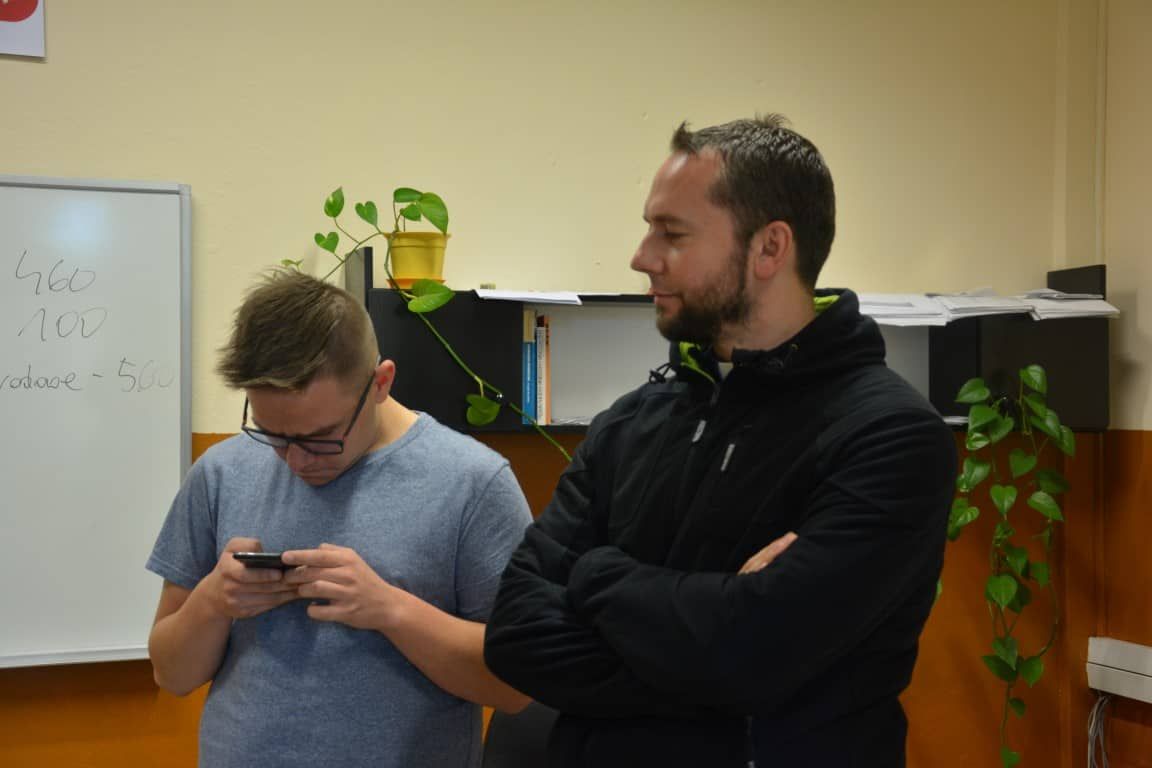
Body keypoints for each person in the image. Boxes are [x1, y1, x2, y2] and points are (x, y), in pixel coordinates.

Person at [483, 114, 958, 767]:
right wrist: (711, 649)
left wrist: (593, 573)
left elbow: (754, 656)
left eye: (672, 233)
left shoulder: (889, 437)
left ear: (770, 248)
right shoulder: (630, 422)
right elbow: (513, 635)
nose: (642, 257)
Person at [146, 270, 533, 768]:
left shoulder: (474, 484)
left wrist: (389, 609)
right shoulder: (221, 473)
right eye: (272, 434)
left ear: (381, 383)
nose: (295, 460)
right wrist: (213, 601)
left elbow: (515, 687)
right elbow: (171, 675)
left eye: (320, 437)